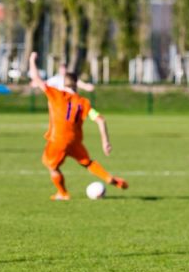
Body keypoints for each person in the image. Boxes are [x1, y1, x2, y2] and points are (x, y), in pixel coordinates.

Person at [28, 52, 127, 200]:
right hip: (74, 140)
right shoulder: (83, 102)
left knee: (52, 166)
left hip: (58, 140)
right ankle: (109, 178)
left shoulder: (56, 94)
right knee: (87, 162)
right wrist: (105, 142)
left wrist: (32, 60)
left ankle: (63, 193)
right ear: (76, 83)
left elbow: (37, 79)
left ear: (63, 83)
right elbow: (100, 120)